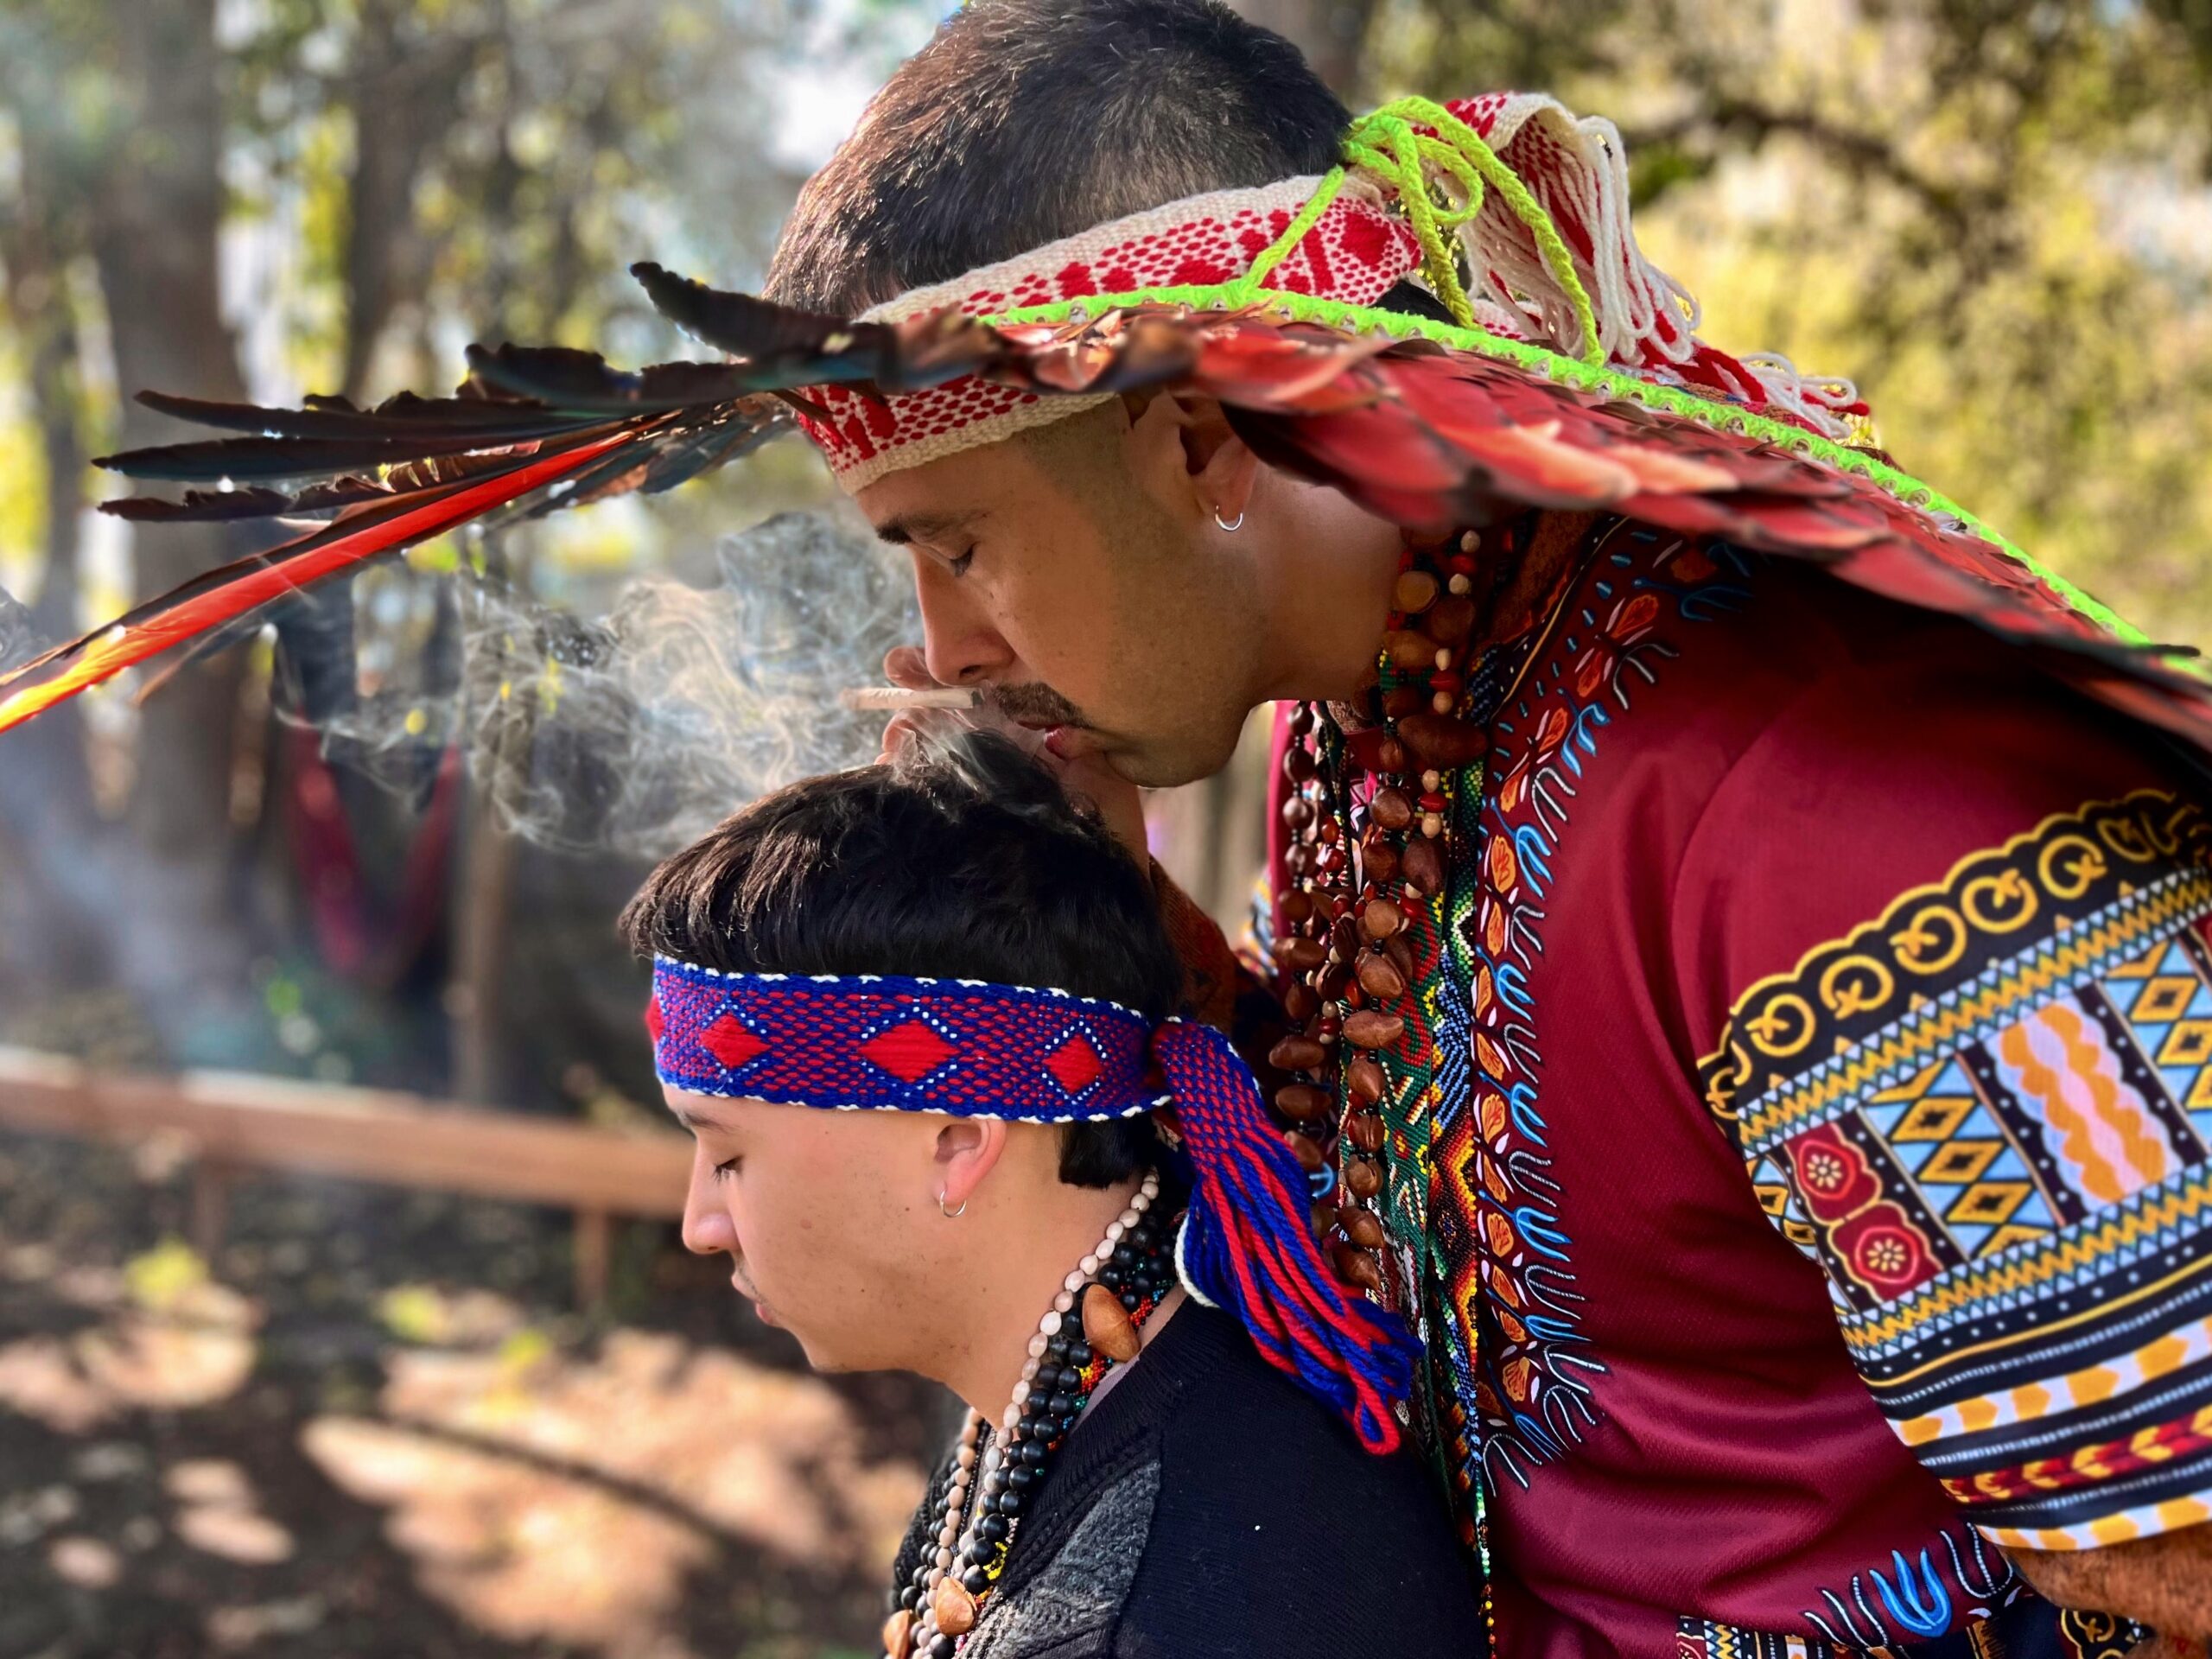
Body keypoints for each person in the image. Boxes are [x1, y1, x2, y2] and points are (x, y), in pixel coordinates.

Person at [19, 1, 2212, 1654]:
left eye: (958, 541)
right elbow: (1430, 1201)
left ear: (1194, 445)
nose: (935, 648)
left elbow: (2172, 1559)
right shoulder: (1387, 717)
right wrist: (1117, 914)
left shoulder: (1826, 795)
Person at [619, 728, 1482, 1659]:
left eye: (728, 1156)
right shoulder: (1097, 1407)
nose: (700, 1226)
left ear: (956, 1142)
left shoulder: (1197, 1604)